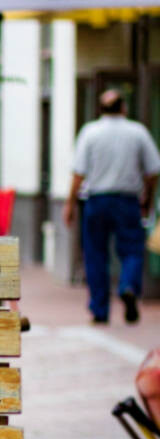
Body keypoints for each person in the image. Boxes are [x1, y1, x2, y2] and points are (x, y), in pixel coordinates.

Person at [64, 89, 160, 325]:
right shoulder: (137, 132)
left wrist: (70, 204)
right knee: (132, 250)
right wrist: (147, 198)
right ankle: (128, 286)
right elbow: (153, 170)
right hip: (127, 200)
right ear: (123, 108)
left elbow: (78, 173)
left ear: (100, 109)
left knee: (95, 254)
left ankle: (99, 309)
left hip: (96, 200)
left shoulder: (90, 132)